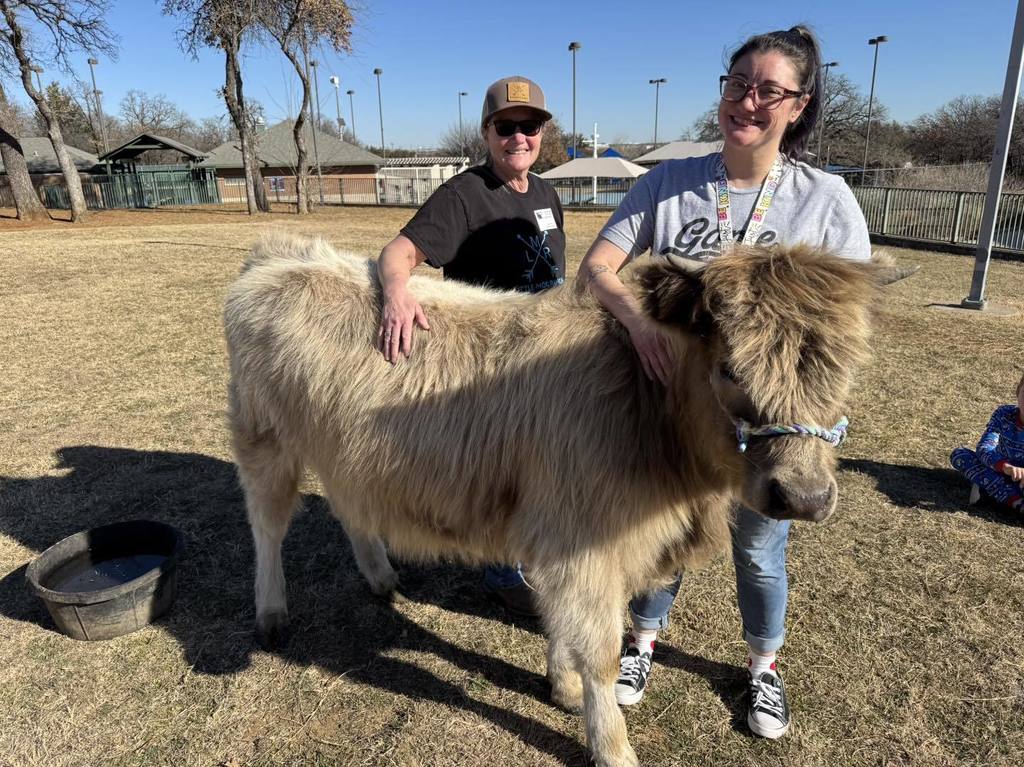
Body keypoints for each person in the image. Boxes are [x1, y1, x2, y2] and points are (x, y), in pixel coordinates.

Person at [577, 26, 870, 739]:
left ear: (799, 106)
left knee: (760, 548)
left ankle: (763, 666)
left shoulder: (826, 200)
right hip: (674, 413)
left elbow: (844, 325)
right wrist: (641, 325)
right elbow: (597, 269)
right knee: (658, 535)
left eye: (770, 90)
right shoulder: (670, 182)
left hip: (769, 420)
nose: (749, 100)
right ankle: (642, 642)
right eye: (739, 83)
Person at [375, 75, 566, 616]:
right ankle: (502, 570)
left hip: (544, 360)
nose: (519, 138)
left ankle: (527, 552)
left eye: (530, 127)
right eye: (506, 127)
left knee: (542, 467)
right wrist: (395, 291)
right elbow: (398, 252)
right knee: (502, 471)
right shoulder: (464, 195)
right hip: (487, 368)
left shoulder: (548, 193)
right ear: (487, 132)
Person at [950, 371, 1024, 513]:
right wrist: (1005, 467)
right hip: (1000, 469)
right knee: (959, 455)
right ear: (1018, 390)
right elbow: (985, 448)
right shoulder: (1004, 414)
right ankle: (1015, 502)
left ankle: (990, 491)